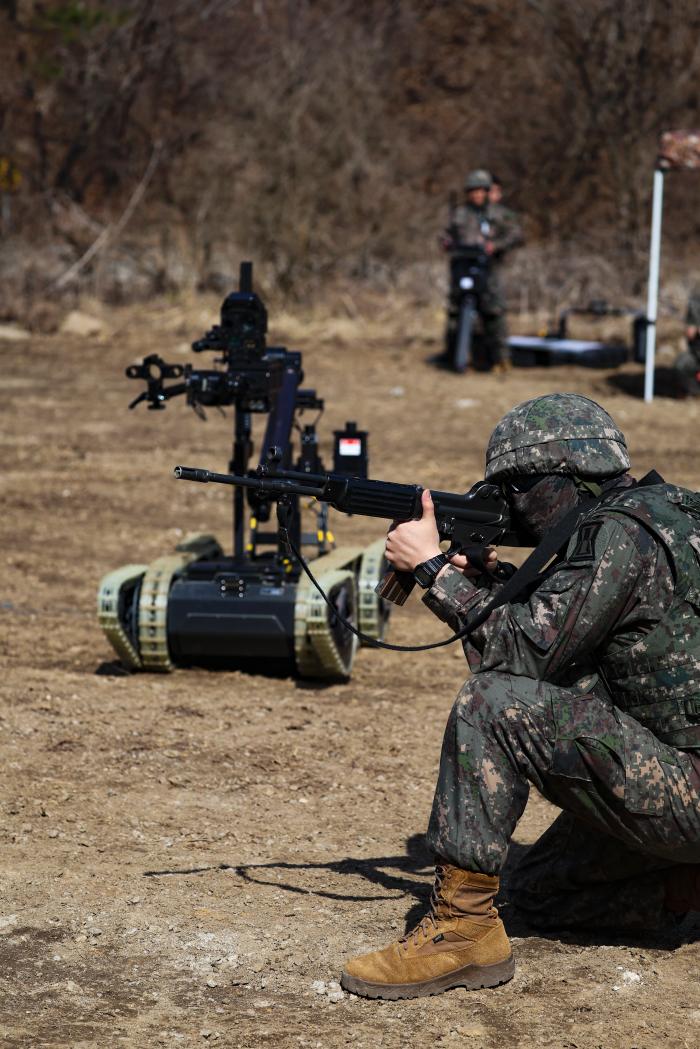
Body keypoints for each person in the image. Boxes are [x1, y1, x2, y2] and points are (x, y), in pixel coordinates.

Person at [340, 392, 700, 1001]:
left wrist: (433, 572)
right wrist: (489, 581)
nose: (509, 507)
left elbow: (518, 662)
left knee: (490, 704)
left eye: (514, 489)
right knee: (538, 892)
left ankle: (461, 933)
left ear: (559, 479)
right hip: (680, 773)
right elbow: (573, 649)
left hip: (687, 788)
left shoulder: (616, 535)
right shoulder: (666, 514)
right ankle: (682, 886)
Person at [445, 169, 522, 372]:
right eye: (473, 191)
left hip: (489, 268)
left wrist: (494, 246)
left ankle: (501, 359)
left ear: (487, 192)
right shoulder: (459, 213)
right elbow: (445, 234)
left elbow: (515, 234)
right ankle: (455, 357)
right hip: (462, 266)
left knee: (493, 313)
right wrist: (447, 242)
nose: (476, 195)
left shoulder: (498, 214)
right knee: (456, 313)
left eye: (480, 191)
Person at [673, 288, 700, 397]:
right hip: (696, 354)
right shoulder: (695, 304)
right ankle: (694, 392)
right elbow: (690, 332)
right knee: (681, 364)